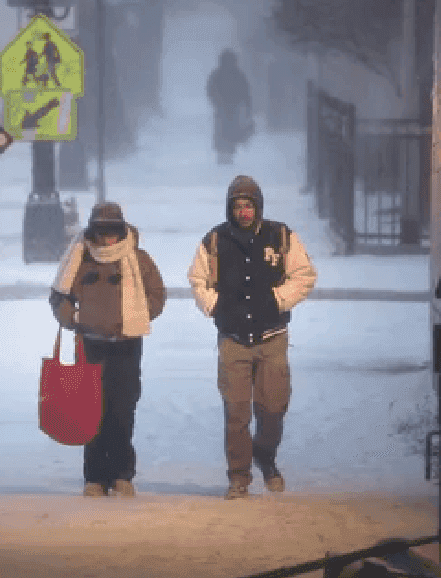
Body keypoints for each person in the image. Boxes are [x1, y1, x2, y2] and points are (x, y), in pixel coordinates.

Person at [187, 175, 317, 499]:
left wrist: (278, 299)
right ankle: (239, 477)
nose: (243, 212)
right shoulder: (214, 241)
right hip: (232, 341)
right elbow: (197, 278)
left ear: (258, 207)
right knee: (236, 412)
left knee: (272, 409)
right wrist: (214, 306)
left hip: (272, 338)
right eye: (237, 206)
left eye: (249, 205)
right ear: (230, 208)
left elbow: (304, 275)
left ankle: (265, 454)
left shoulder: (281, 236)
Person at [49, 202, 167, 498]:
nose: (109, 238)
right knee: (91, 412)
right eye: (103, 231)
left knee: (122, 410)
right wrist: (74, 318)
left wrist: (137, 315)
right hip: (90, 345)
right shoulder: (79, 259)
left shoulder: (138, 259)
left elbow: (157, 294)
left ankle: (122, 474)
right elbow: (59, 295)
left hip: (127, 344)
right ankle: (95, 477)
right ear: (94, 231)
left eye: (114, 231)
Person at [206, 49, 253, 164]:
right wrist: (247, 106)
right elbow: (245, 91)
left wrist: (216, 102)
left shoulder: (218, 74)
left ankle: (224, 153)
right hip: (229, 107)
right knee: (229, 130)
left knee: (223, 130)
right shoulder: (237, 74)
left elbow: (210, 90)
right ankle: (227, 153)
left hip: (224, 107)